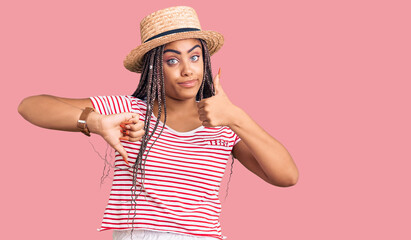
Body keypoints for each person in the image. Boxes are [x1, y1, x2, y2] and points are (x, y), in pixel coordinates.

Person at [18, 6, 298, 240]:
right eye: (172, 60)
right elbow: (31, 106)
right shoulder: (128, 110)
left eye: (195, 57)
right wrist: (96, 121)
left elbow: (286, 176)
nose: (188, 69)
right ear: (153, 67)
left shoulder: (224, 123)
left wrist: (237, 117)